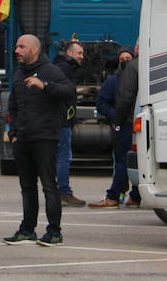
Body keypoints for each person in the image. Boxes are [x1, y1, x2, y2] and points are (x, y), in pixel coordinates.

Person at [3, 33, 75, 246]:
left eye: (21, 47)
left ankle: (54, 232)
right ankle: (27, 229)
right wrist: (14, 133)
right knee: (27, 187)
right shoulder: (18, 74)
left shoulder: (51, 71)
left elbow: (69, 91)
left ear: (35, 50)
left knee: (48, 186)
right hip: (23, 139)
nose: (17, 50)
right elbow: (13, 107)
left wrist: (45, 85)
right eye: (17, 46)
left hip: (45, 138)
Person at [90, 47, 141, 208]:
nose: (125, 61)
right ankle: (115, 195)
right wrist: (115, 116)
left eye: (128, 57)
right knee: (123, 161)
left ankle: (134, 195)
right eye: (122, 58)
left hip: (134, 124)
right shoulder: (113, 81)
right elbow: (101, 103)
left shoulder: (135, 75)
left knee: (134, 162)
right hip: (125, 124)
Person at [54, 39, 87, 207]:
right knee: (63, 157)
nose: (82, 57)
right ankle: (63, 191)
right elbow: (64, 94)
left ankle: (56, 192)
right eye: (79, 53)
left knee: (58, 157)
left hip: (59, 119)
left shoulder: (60, 66)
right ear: (69, 53)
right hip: (62, 121)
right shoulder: (65, 68)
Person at [113, 50, 141, 208]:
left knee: (124, 160)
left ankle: (114, 195)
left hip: (130, 120)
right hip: (146, 118)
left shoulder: (132, 68)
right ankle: (136, 196)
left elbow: (125, 97)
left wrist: (118, 121)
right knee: (140, 159)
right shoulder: (150, 64)